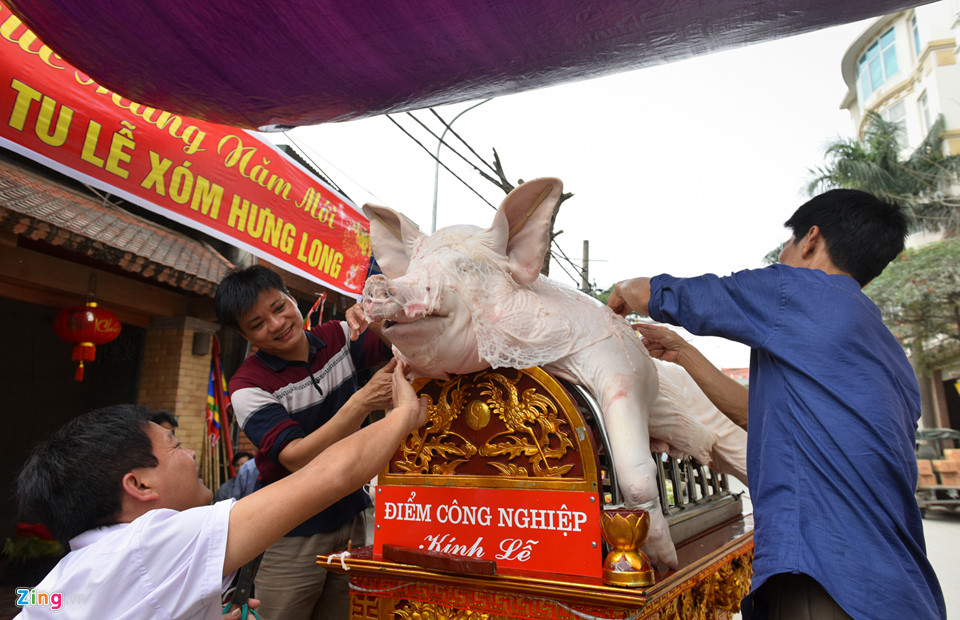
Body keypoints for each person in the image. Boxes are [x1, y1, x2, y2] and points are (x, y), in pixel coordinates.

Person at [607, 189, 945, 620]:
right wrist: (683, 354)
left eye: (788, 242)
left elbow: (662, 293)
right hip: (896, 585)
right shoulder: (884, 348)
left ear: (810, 240)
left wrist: (621, 292)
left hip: (828, 576)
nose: (783, 254)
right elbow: (761, 417)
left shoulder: (797, 291)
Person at [14, 367, 427, 619]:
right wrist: (404, 414)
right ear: (139, 485)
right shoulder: (146, 545)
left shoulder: (64, 577)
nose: (191, 452)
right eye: (175, 445)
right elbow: (330, 477)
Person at [214, 265, 394, 620]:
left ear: (293, 300)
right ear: (244, 334)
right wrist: (361, 402)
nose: (277, 324)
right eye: (257, 323)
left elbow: (400, 345)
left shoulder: (338, 336)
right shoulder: (247, 385)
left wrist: (371, 316)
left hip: (352, 517)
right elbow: (295, 457)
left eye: (279, 307)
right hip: (290, 529)